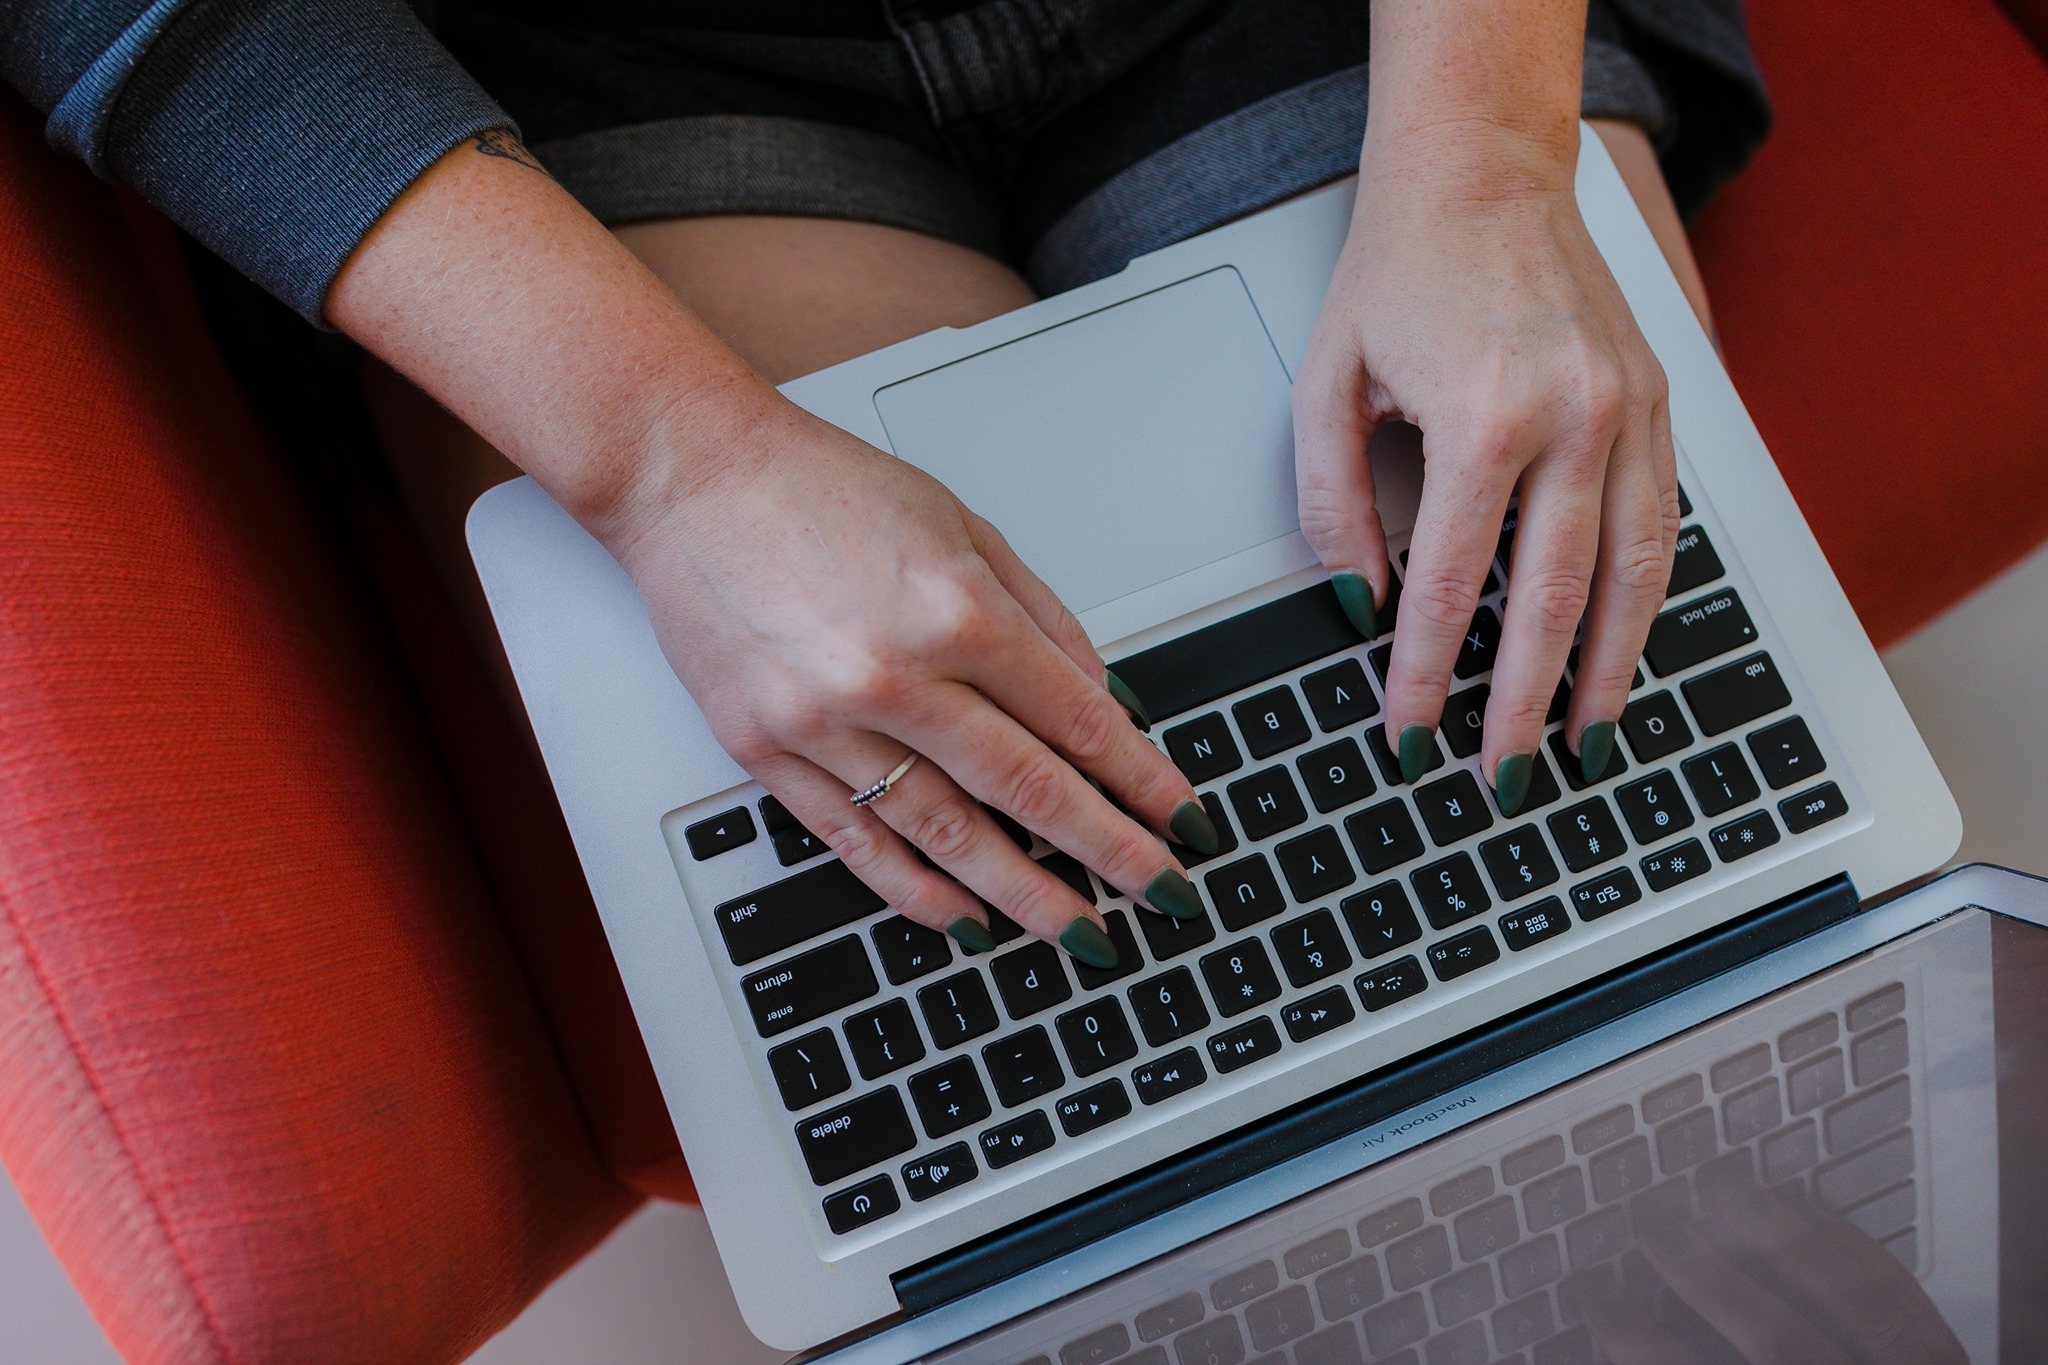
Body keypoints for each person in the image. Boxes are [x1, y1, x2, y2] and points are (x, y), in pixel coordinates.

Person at [2, 0, 1769, 969]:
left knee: (1614, 824)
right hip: (559, 55)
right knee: (998, 931)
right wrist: (666, 459)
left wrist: (1484, 158)